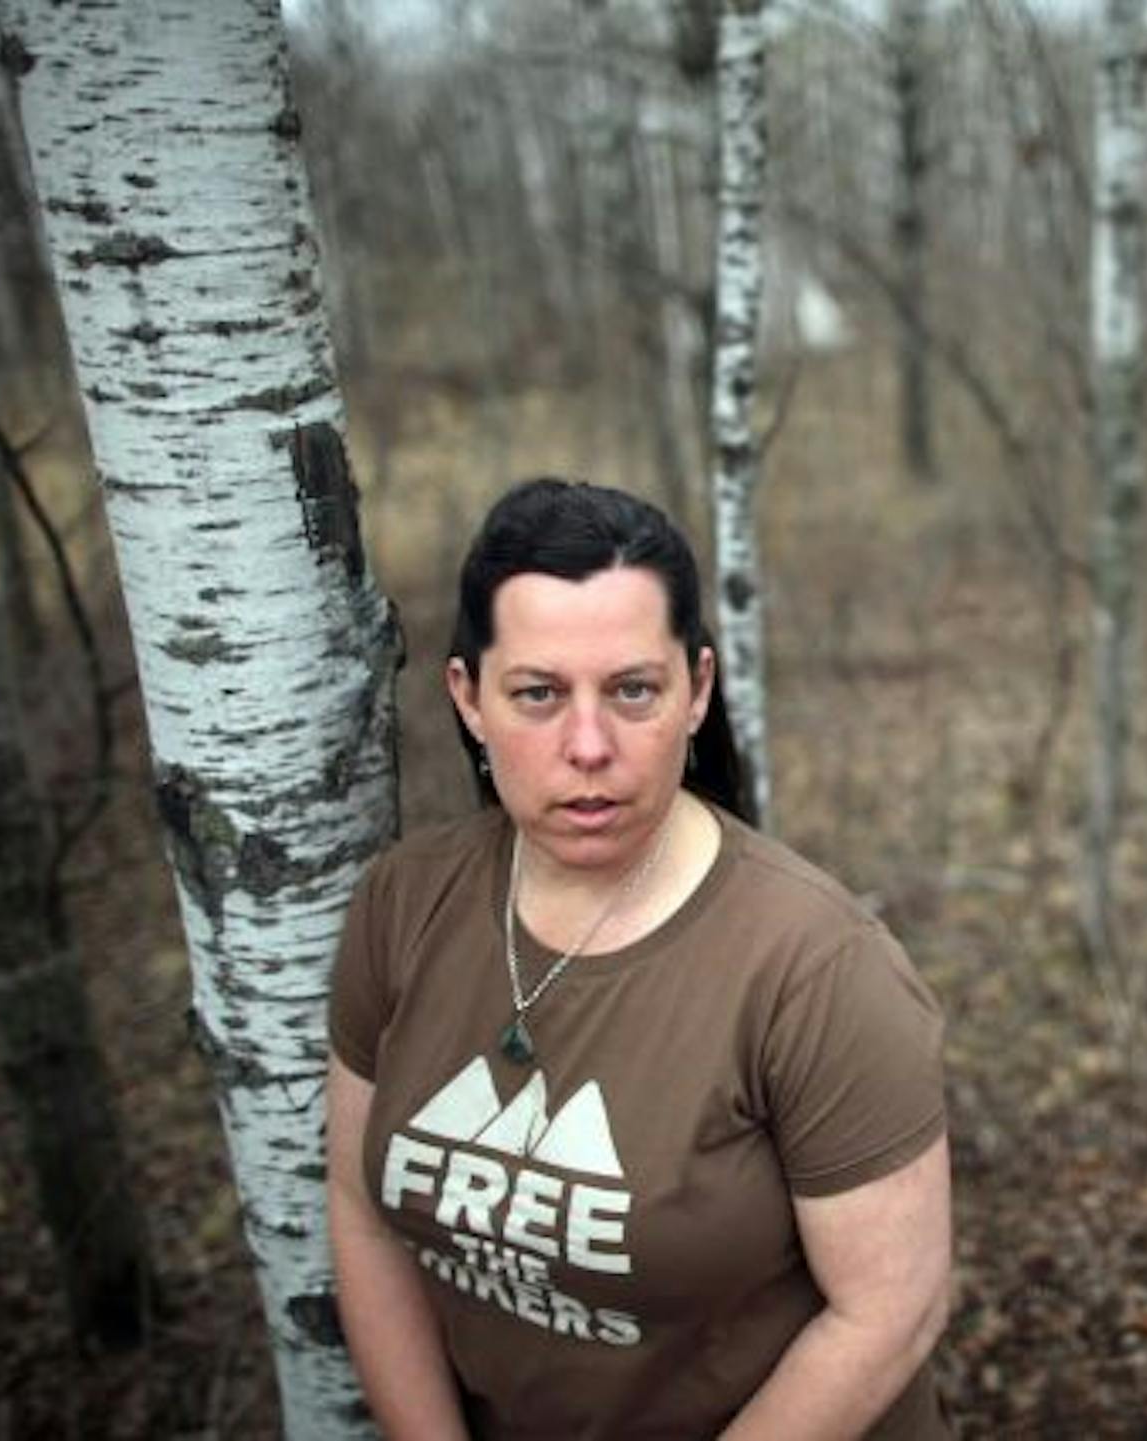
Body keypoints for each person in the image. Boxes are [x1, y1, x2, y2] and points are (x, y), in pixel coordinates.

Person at [326, 478, 952, 1439]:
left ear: (696, 689)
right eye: (537, 693)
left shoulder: (818, 971)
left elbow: (888, 1315)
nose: (588, 746)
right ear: (469, 698)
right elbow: (362, 1211)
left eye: (632, 690)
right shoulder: (404, 905)